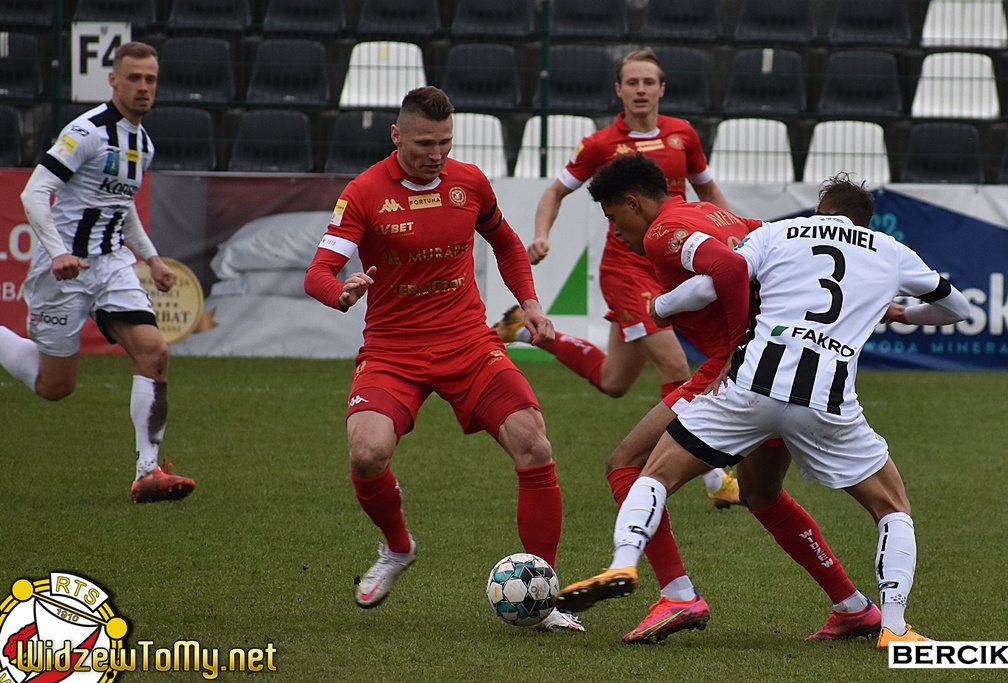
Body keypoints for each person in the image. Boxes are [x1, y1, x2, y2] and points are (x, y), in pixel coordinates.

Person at [558, 165, 970, 649]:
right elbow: (957, 309)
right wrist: (901, 313)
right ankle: (888, 625)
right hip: (824, 397)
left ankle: (644, 574)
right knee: (873, 505)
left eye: (612, 217)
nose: (615, 230)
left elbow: (717, 279)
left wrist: (662, 308)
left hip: (746, 379)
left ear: (819, 211)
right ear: (862, 222)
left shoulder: (771, 232)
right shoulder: (884, 250)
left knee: (645, 469)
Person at [303, 86, 581, 631]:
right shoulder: (363, 193)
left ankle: (543, 592)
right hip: (393, 350)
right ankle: (398, 546)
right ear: (396, 136)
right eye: (424, 144)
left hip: (467, 342)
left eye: (445, 143)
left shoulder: (469, 182)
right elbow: (317, 273)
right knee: (367, 455)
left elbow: (506, 243)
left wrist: (530, 304)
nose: (437, 154)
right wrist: (341, 292)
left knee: (534, 443)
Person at [498, 47, 740, 509]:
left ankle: (526, 330)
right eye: (632, 82)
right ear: (619, 90)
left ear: (662, 88)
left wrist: (732, 235)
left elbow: (707, 189)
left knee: (614, 381)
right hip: (626, 269)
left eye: (648, 82)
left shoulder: (683, 135)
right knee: (676, 368)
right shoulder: (600, 145)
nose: (640, 90)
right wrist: (542, 235)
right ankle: (713, 476)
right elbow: (554, 192)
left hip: (672, 264)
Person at [0, 42, 195, 504]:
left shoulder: (143, 143)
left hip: (111, 265)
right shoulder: (86, 131)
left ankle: (148, 471)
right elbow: (34, 193)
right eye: (134, 78)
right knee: (56, 387)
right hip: (64, 270)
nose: (143, 87)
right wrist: (58, 252)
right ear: (114, 80)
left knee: (155, 352)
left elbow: (122, 207)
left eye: (150, 79)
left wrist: (152, 259)